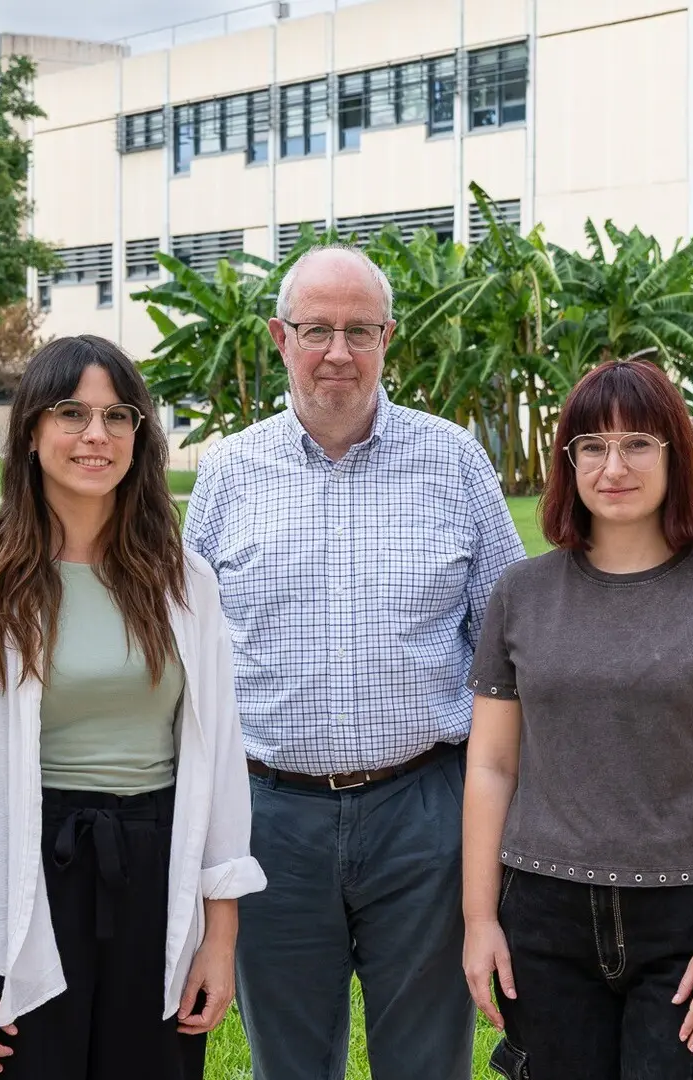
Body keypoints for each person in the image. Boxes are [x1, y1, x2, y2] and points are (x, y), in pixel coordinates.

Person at [182, 245, 525, 1080]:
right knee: (290, 1065)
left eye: (360, 331)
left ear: (388, 337)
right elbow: (184, 650)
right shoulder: (227, 472)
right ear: (279, 337)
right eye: (317, 330)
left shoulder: (454, 462)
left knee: (426, 1062)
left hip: (426, 817)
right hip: (272, 820)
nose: (339, 351)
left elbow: (513, 643)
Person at [0, 334, 265, 1079]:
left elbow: (221, 759)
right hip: (25, 872)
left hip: (153, 876)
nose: (96, 435)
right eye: (71, 413)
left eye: (117, 415)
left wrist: (219, 936)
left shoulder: (184, 584)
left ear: (140, 437)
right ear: (32, 432)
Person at [461, 358, 693, 1079]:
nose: (615, 466)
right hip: (541, 915)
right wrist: (480, 919)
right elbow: (491, 766)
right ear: (569, 462)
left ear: (677, 454)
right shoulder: (520, 594)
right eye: (593, 446)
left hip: (686, 919)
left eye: (639, 443)